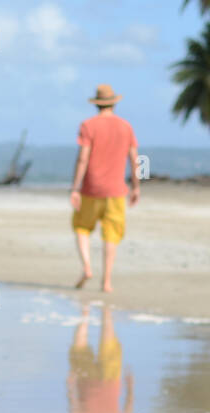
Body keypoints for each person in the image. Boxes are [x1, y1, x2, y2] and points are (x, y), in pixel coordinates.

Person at [69, 84, 140, 293]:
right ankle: (107, 281)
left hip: (91, 188)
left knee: (82, 227)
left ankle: (87, 267)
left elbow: (83, 158)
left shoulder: (88, 125)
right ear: (114, 103)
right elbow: (135, 160)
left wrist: (75, 188)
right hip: (116, 190)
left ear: (96, 105)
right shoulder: (126, 127)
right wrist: (136, 186)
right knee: (112, 234)